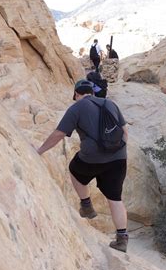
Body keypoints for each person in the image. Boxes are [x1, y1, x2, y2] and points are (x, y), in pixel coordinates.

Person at [36, 79, 129, 252]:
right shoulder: (110, 104)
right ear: (92, 93)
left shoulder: (77, 108)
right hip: (118, 158)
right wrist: (117, 152)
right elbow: (125, 132)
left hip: (91, 157)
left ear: (77, 94)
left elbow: (59, 134)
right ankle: (122, 238)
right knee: (115, 198)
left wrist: (40, 150)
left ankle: (86, 205)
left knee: (74, 169)